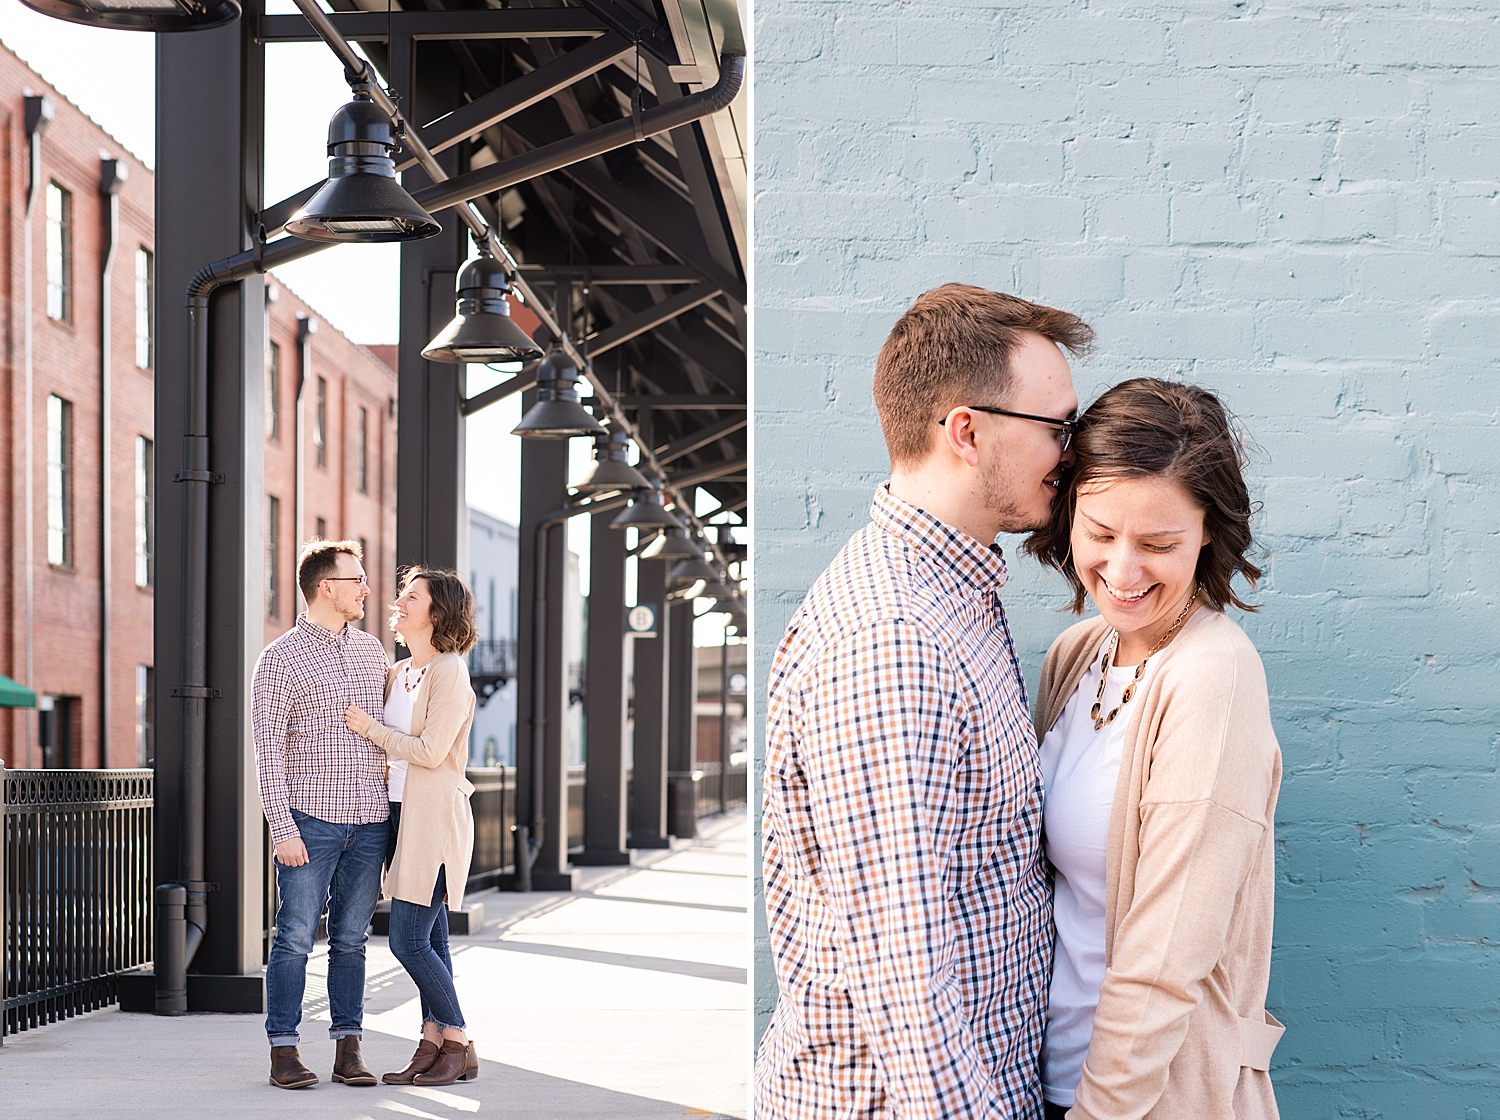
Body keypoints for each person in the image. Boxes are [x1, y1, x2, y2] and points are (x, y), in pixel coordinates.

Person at [756, 284, 1094, 1120]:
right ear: (968, 432)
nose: (1073, 451)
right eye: (1058, 426)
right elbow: (906, 980)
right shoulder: (895, 640)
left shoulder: (954, 597)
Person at [1024, 379, 1284, 1120]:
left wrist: (1099, 1111)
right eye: (1101, 534)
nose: (1124, 571)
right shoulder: (1079, 653)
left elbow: (1169, 951)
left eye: (1159, 543)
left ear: (1207, 533)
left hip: (1147, 1101)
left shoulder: (1211, 676)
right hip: (1048, 1080)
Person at [253, 539, 390, 1089]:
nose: (366, 589)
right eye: (357, 579)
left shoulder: (374, 652)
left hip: (370, 821)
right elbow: (268, 750)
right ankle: (284, 1050)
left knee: (353, 939)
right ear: (326, 588)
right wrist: (281, 829)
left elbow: (389, 733)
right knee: (294, 937)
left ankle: (347, 1049)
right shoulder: (280, 657)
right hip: (310, 822)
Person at [344, 566, 480, 1086]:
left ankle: (459, 1039)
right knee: (434, 942)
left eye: (412, 595)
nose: (398, 601)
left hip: (432, 820)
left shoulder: (450, 671)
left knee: (406, 941)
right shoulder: (401, 671)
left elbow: (430, 752)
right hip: (399, 813)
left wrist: (369, 728)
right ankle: (433, 1040)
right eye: (401, 593)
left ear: (437, 612)